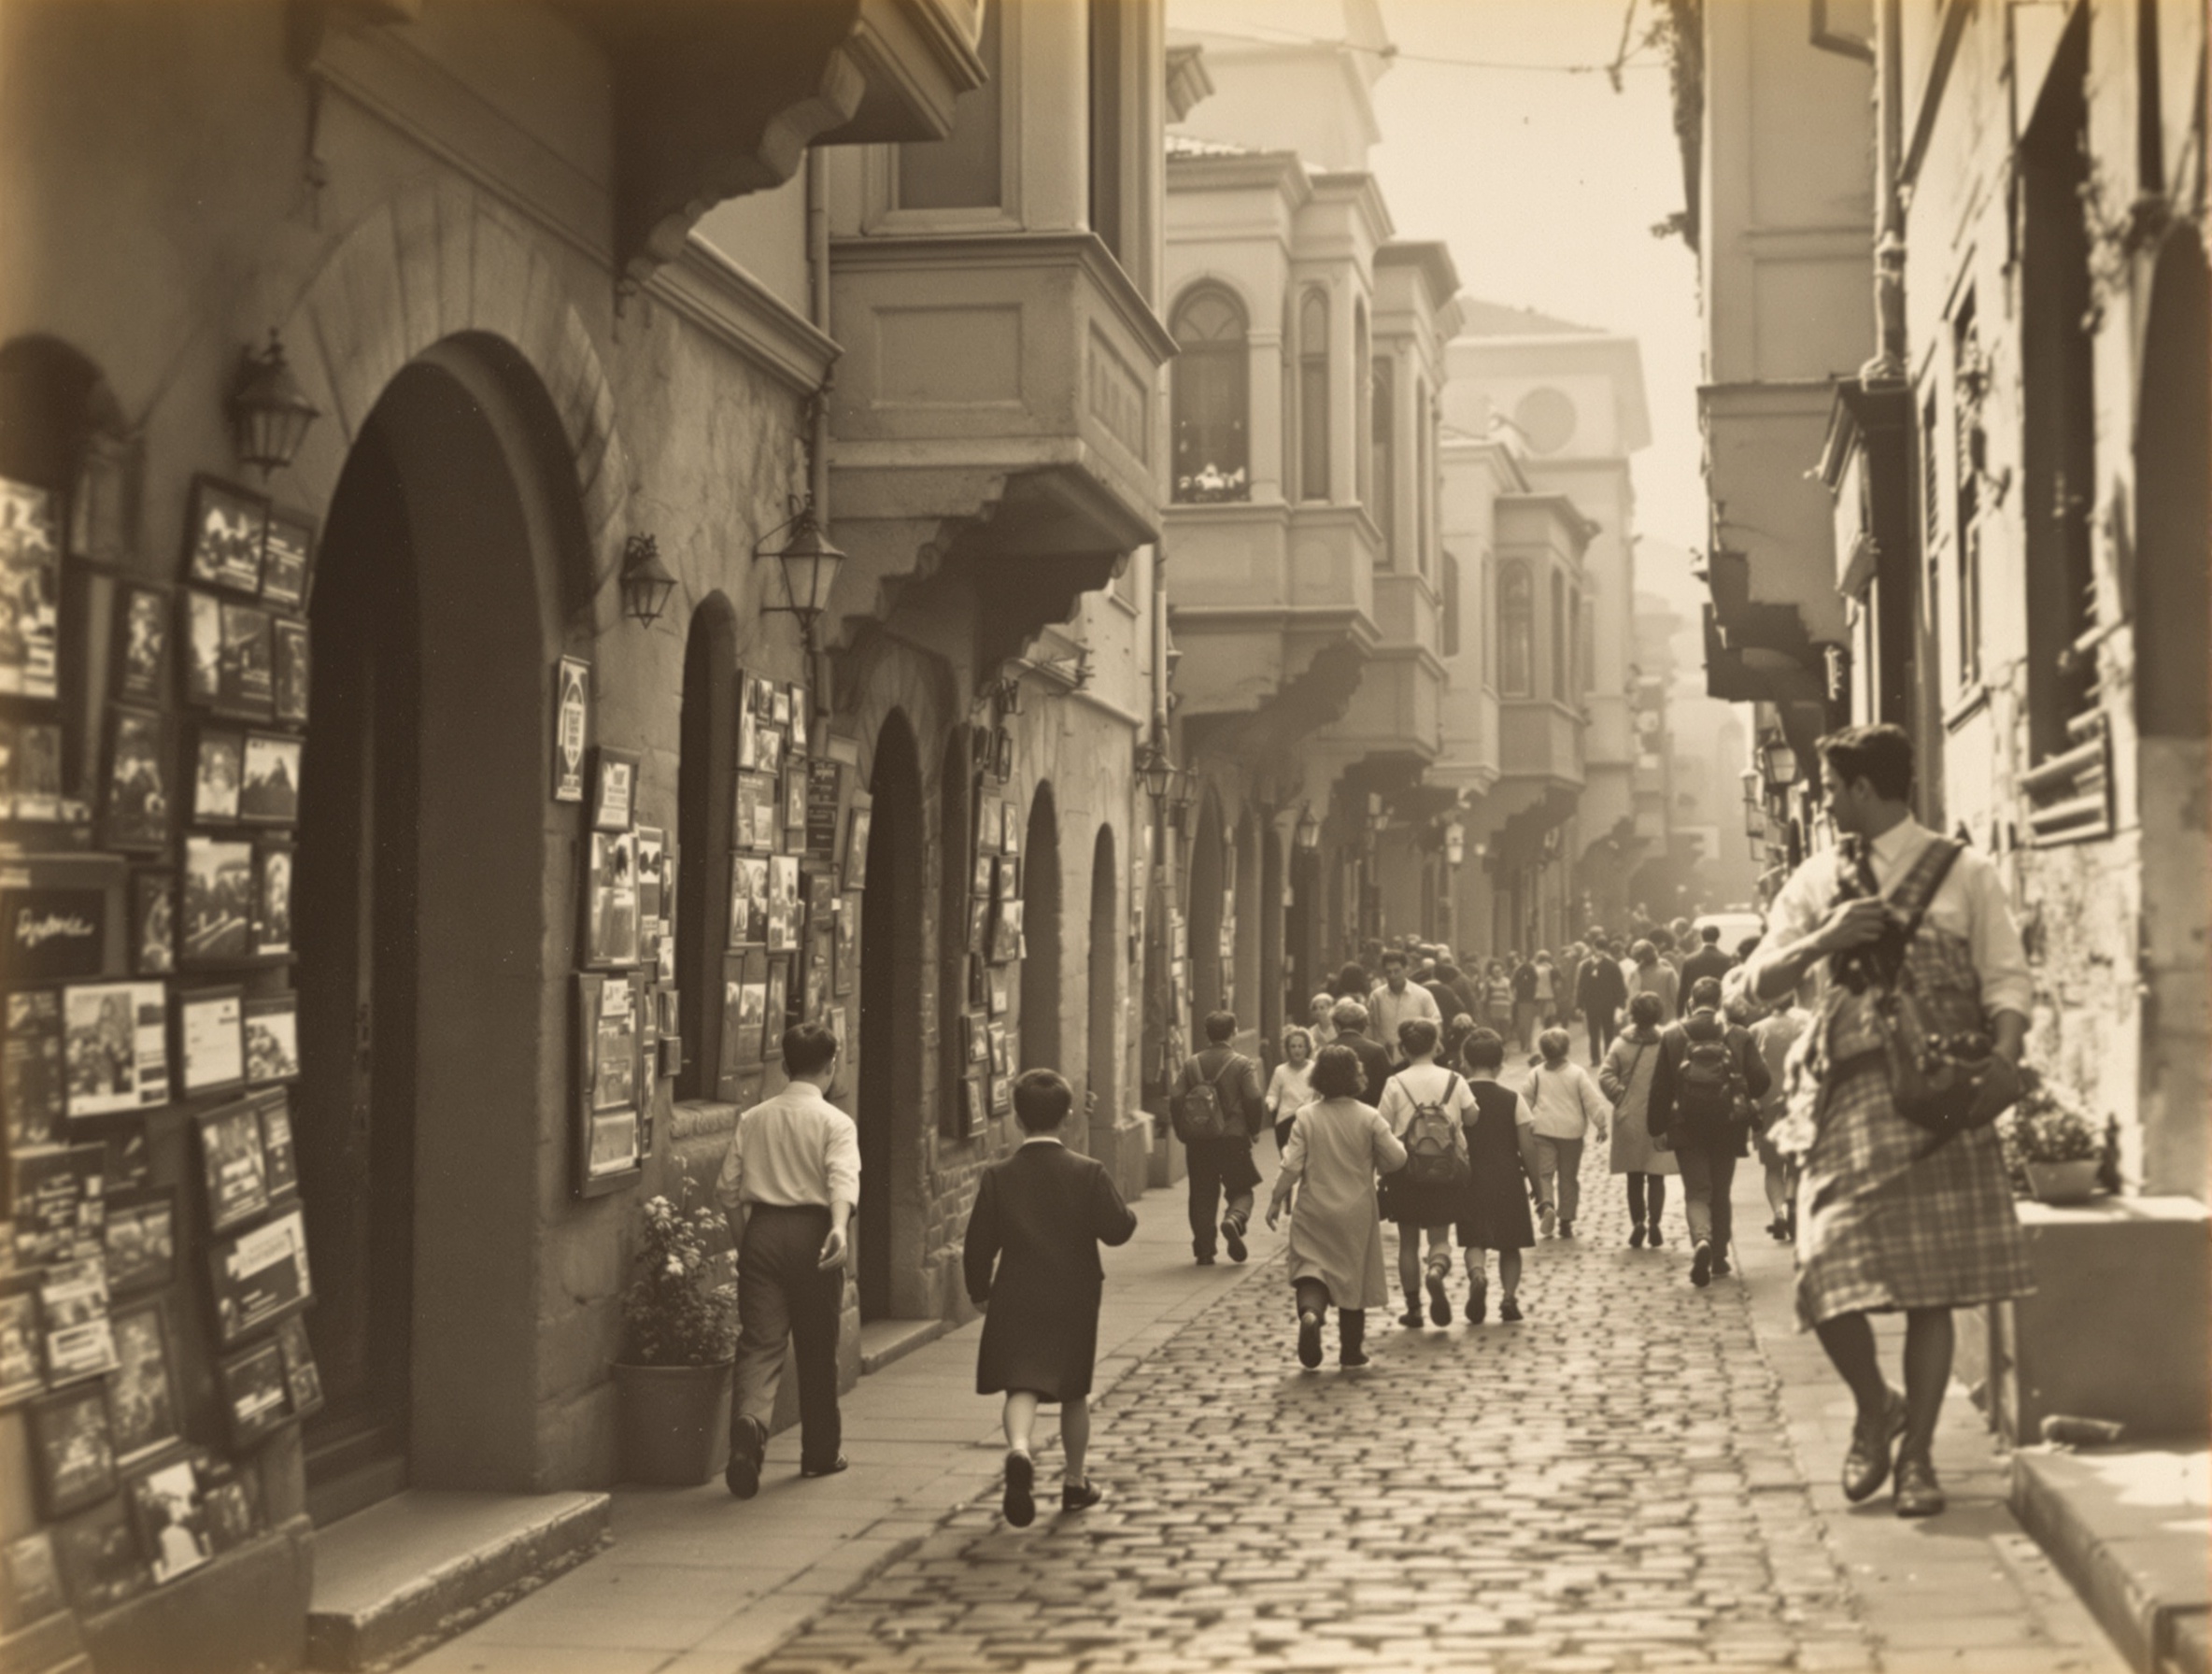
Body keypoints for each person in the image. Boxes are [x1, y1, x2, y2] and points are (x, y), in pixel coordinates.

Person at [1742, 723, 2032, 1518]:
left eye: (1832, 789)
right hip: (1848, 1097)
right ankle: (1877, 1406)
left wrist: (2002, 1063)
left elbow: (2006, 978)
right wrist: (1824, 941)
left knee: (1931, 1291)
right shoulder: (1814, 880)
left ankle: (1920, 1460)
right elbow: (1759, 982)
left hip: (1944, 1094)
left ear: (1865, 789)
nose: (1825, 800)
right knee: (1822, 1268)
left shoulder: (1963, 870)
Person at [964, 1068, 1138, 1526]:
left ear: (1017, 1120)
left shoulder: (998, 1176)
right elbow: (1117, 1230)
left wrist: (979, 1291)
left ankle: (1020, 1450)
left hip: (1017, 1291)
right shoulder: (1087, 1172)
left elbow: (979, 1242)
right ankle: (1075, 1482)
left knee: (1021, 1382)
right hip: (1073, 1292)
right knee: (1072, 1390)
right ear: (1066, 1118)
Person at [717, 1021, 860, 1497]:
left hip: (762, 1231)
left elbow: (727, 1189)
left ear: (783, 1065)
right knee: (818, 1347)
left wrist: (746, 1241)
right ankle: (819, 1454)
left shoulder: (754, 1118)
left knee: (760, 1341)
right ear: (832, 1066)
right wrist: (838, 1227)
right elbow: (841, 1178)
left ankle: (749, 1428)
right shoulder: (836, 1123)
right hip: (814, 1232)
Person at [1264, 1043, 1408, 1369]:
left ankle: (1312, 1315)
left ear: (1318, 1078)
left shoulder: (1306, 1116)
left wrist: (1275, 1199)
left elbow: (1292, 1165)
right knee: (1351, 1280)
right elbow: (1398, 1158)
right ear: (1355, 1076)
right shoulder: (1369, 1117)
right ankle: (1351, 1352)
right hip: (1356, 1211)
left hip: (1314, 1208)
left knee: (1309, 1270)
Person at [1647, 975, 1770, 1287]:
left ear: (1691, 1000)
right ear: (1719, 1003)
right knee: (1721, 1190)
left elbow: (1660, 1086)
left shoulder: (1673, 1035)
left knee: (1697, 1192)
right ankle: (1718, 1256)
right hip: (1728, 1124)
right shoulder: (1738, 1034)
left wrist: (1656, 1126)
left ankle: (1701, 1238)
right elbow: (1761, 1080)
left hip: (1686, 1125)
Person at [1376, 1018, 1476, 1328]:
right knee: (1439, 1235)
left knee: (1408, 1241)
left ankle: (1414, 1308)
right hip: (1446, 1171)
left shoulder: (1396, 1082)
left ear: (1404, 1049)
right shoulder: (1454, 1080)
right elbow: (1472, 1117)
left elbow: (1382, 1127)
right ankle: (1436, 1269)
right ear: (1436, 1045)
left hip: (1407, 1171)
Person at [1170, 1011, 1266, 1267]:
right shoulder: (1242, 1064)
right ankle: (1234, 1218)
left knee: (1201, 1192)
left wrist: (1182, 1130)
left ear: (1207, 1034)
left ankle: (1204, 1251)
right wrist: (1254, 1128)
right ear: (1234, 1032)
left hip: (1200, 1139)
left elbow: (1176, 1096)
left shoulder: (1192, 1064)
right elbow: (1254, 1096)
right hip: (1233, 1137)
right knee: (1241, 1188)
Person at [1455, 1029, 1537, 1322]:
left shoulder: (1455, 1097)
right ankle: (1509, 1298)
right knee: (1510, 1244)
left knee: (1473, 1240)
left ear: (1465, 1061)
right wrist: (1541, 1191)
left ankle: (1477, 1275)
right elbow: (1528, 1148)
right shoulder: (1513, 1099)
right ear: (1500, 1063)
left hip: (1469, 1178)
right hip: (1507, 1178)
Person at [1600, 991, 1678, 1248]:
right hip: (1660, 1114)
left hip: (1629, 1114)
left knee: (1634, 1175)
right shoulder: (1667, 1040)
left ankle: (1638, 1223)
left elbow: (1605, 1075)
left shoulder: (1621, 1044)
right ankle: (1655, 1222)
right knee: (1657, 1174)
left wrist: (1619, 1094)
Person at [1521, 1028, 1610, 1238]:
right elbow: (1592, 1100)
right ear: (1567, 1049)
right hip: (1571, 1133)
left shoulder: (1535, 1074)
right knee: (1568, 1177)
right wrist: (1601, 1125)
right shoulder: (1577, 1073)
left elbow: (1524, 1102)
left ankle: (1548, 1205)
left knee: (1544, 1174)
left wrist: (1522, 1127)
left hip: (1542, 1130)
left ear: (1543, 1051)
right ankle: (1566, 1220)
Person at [1747, 991, 1808, 1241]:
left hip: (1768, 1104)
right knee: (1795, 1165)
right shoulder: (1807, 1023)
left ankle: (1779, 1211)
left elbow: (1750, 1071)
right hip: (1799, 1101)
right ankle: (1793, 1203)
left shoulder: (1757, 1029)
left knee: (1772, 1167)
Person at [1368, 950, 1442, 1064]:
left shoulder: (1423, 995)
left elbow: (1436, 1022)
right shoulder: (1376, 996)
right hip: (1385, 1059)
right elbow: (1371, 1027)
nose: (1392, 976)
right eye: (1388, 972)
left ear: (1406, 970)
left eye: (1397, 971)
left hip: (1414, 1058)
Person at [1328, 998, 1393, 1106]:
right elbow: (1387, 1086)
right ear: (1363, 1025)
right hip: (1370, 1111)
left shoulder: (1327, 1049)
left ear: (1336, 1026)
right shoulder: (1377, 1050)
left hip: (1331, 1111)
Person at [1264, 1025, 1318, 1153]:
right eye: (1293, 1046)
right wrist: (1271, 1104)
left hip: (1308, 1122)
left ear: (1307, 1048)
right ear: (1287, 1049)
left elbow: (1320, 1094)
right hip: (1285, 1122)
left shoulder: (1315, 1069)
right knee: (1288, 1164)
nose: (1297, 1050)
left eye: (1301, 1046)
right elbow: (1272, 1094)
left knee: (1308, 1164)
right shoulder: (1280, 1071)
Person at [1576, 940, 1631, 1062]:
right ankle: (1595, 1058)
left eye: (1601, 949)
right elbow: (1581, 986)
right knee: (1593, 1032)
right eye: (1597, 948)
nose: (1598, 951)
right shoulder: (1586, 966)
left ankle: (1608, 1056)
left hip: (1608, 1004)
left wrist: (1620, 1004)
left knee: (1608, 1031)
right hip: (1592, 1004)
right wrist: (1579, 1005)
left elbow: (1619, 986)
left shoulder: (1612, 965)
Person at [1627, 939, 1679, 1025]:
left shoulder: (1635, 975)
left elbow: (1631, 1000)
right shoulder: (1669, 972)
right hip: (1667, 1021)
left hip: (1644, 1023)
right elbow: (1677, 998)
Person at [1681, 924, 1736, 990]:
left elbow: (1683, 988)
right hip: (1719, 999)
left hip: (1696, 999)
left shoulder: (1689, 960)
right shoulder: (1728, 960)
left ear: (1702, 937)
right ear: (1718, 937)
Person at [1509, 953, 1541, 1051]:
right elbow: (1537, 982)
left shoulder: (1519, 970)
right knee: (1528, 1024)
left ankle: (1524, 1044)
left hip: (1521, 1000)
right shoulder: (1531, 969)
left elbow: (1512, 984)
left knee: (1522, 1024)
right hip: (1529, 1000)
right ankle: (1527, 1044)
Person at [1482, 959, 1514, 1036]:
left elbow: (1510, 994)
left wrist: (1511, 1004)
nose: (1497, 973)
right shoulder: (1489, 981)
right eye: (1495, 972)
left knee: (1504, 1027)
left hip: (1505, 1008)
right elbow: (1484, 995)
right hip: (1494, 1008)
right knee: (1495, 1028)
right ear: (1492, 973)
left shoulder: (1507, 981)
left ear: (1502, 972)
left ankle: (1504, 1041)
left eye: (1499, 971)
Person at [1531, 950, 1560, 1028]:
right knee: (1549, 1019)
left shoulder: (1533, 969)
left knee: (1538, 1019)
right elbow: (1557, 985)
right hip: (1549, 997)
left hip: (1536, 998)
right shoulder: (1552, 969)